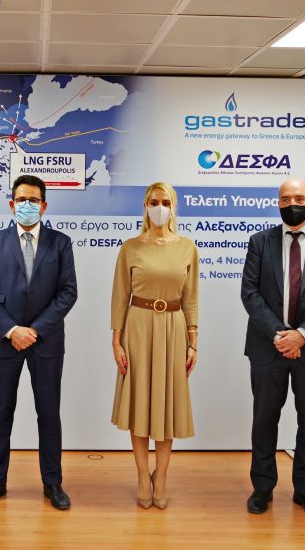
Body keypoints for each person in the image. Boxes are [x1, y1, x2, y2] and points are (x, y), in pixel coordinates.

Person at [240, 178, 305, 520]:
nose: (292, 204)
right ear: (278, 203)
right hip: (267, 347)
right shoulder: (260, 242)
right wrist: (281, 336)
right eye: (285, 199)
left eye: (299, 198)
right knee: (264, 420)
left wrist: (301, 335)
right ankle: (262, 488)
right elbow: (250, 293)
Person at [0, 174, 78, 510]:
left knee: (48, 414)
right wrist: (11, 329)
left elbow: (68, 292)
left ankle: (53, 483)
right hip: (5, 342)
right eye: (21, 200)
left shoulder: (61, 243)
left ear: (44, 206)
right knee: (0, 412)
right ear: (11, 204)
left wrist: (35, 330)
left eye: (33, 200)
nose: (27, 205)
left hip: (46, 344)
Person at [110, 182, 198, 509]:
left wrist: (193, 340)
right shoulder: (130, 247)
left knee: (166, 405)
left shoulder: (187, 247)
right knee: (139, 404)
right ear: (145, 206)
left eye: (165, 202)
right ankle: (141, 476)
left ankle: (160, 477)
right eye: (153, 202)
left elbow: (191, 297)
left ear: (173, 207)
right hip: (137, 328)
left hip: (173, 329)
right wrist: (116, 340)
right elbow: (120, 296)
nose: (159, 207)